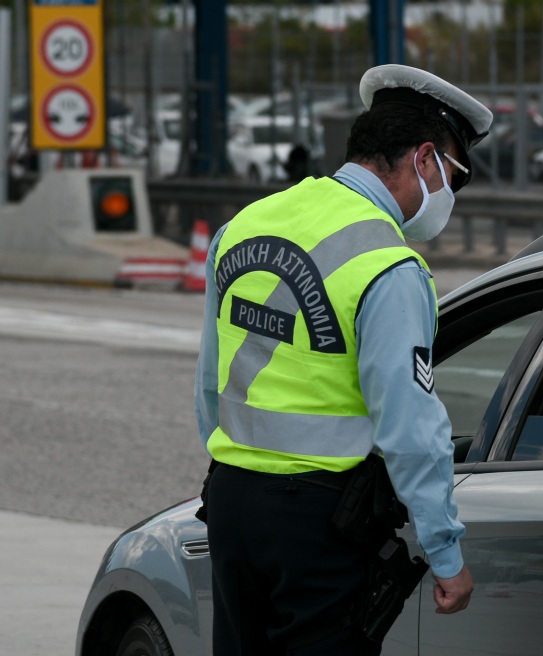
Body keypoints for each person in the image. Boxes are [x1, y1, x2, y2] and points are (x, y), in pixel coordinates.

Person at [193, 64, 492, 655]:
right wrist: (445, 552)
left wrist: (231, 475)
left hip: (230, 504)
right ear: (425, 159)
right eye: (455, 176)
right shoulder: (389, 264)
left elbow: (210, 382)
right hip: (318, 525)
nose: (450, 196)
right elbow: (410, 427)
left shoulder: (244, 224)